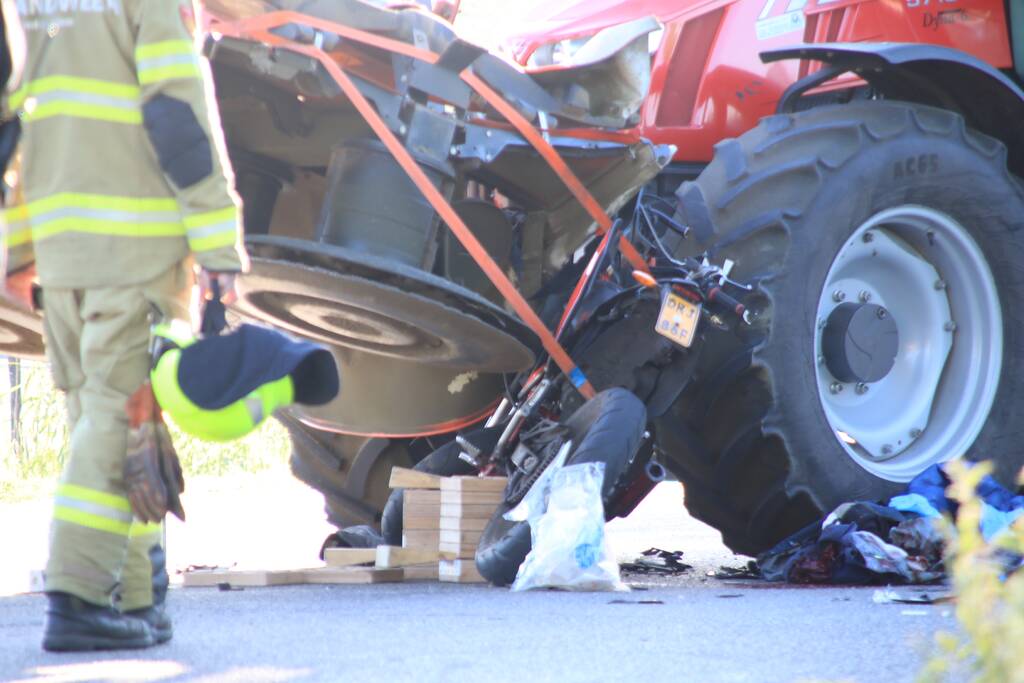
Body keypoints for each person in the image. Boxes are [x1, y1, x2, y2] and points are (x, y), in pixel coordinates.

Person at [1, 0, 247, 651]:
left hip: (61, 246)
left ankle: (137, 593)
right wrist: (220, 244)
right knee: (119, 415)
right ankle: (79, 595)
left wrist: (19, 250)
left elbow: (14, 125)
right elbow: (178, 113)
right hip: (134, 244)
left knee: (112, 415)